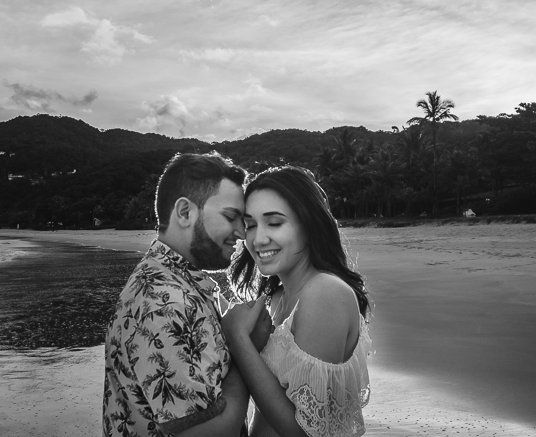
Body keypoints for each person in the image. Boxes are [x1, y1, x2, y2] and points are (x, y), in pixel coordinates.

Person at [103, 152, 253, 437]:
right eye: (231, 217)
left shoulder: (176, 281)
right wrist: (244, 347)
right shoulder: (163, 303)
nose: (242, 233)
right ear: (185, 212)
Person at [222, 166, 371, 437]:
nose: (258, 238)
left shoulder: (325, 293)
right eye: (251, 225)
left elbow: (304, 432)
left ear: (308, 224)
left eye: (275, 223)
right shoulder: (276, 297)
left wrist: (238, 340)